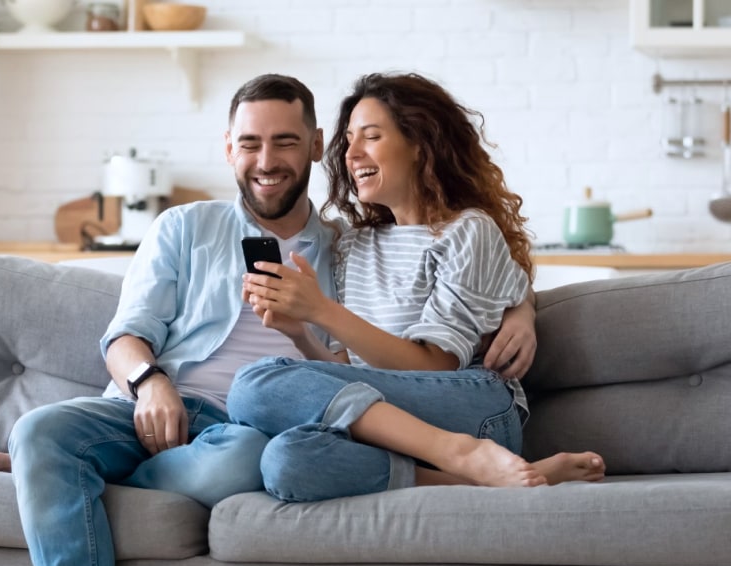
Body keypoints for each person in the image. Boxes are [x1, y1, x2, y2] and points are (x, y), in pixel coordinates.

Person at [4, 73, 537, 566]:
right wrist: (151, 384)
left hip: (249, 430)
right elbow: (124, 339)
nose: (266, 161)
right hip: (155, 408)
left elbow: (458, 262)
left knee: (248, 458)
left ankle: (68, 478)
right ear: (228, 148)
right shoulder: (184, 228)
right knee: (39, 433)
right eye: (249, 143)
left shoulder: (347, 244)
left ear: (314, 146)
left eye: (285, 142)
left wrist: (523, 310)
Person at [229, 72, 604, 502]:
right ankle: (478, 475)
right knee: (286, 461)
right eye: (349, 139)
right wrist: (300, 333)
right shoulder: (354, 244)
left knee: (252, 384)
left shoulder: (466, 232)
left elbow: (435, 367)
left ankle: (462, 452)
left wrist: (322, 311)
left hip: (472, 409)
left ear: (420, 144)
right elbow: (351, 375)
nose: (350, 153)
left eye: (370, 136)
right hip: (393, 420)